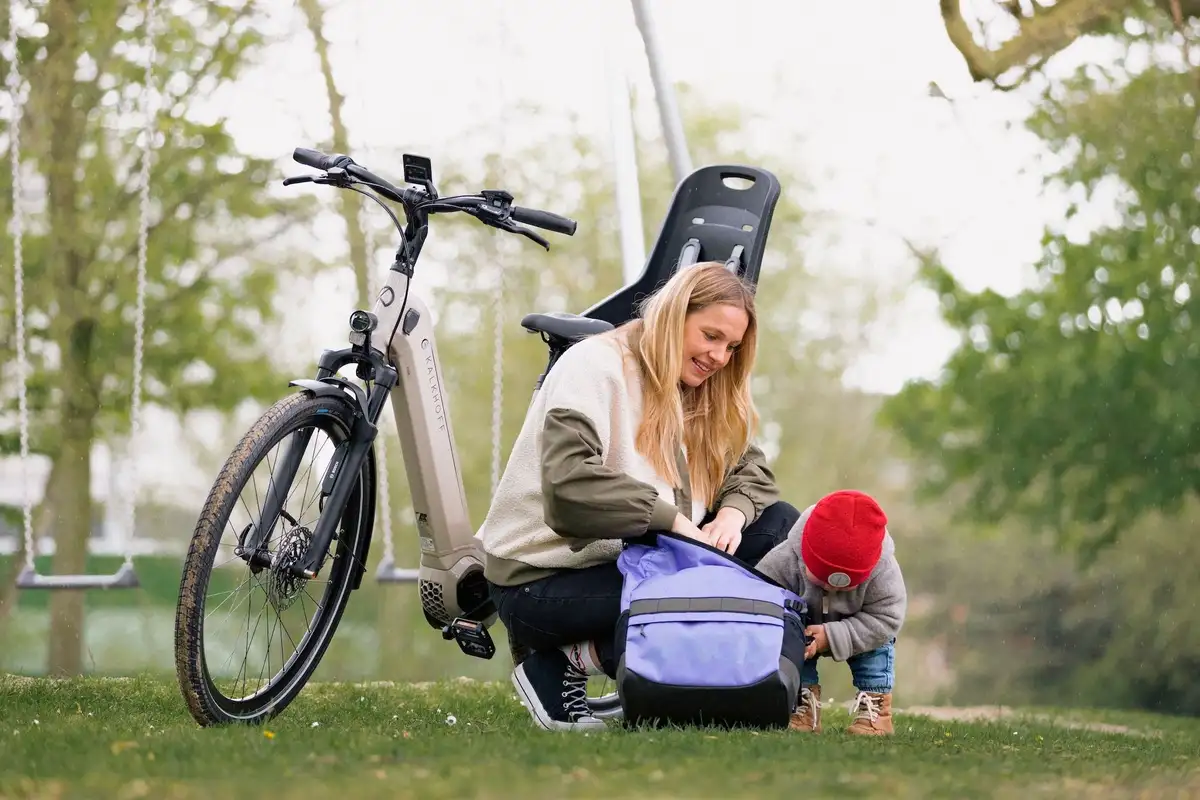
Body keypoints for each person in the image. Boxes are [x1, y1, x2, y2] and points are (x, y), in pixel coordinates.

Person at [477, 262, 800, 731]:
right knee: (700, 593)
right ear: (673, 315)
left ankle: (692, 679)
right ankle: (561, 663)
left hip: (641, 563)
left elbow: (750, 469)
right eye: (710, 335)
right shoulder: (595, 365)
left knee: (777, 527)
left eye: (731, 347)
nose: (719, 356)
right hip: (542, 582)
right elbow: (569, 486)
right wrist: (670, 520)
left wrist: (731, 513)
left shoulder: (702, 388)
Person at [754, 489, 907, 736]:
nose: (831, 587)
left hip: (862, 624)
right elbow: (761, 599)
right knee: (789, 650)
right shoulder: (784, 559)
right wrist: (790, 630)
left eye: (846, 585)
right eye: (822, 578)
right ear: (805, 552)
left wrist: (832, 636)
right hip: (801, 626)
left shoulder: (883, 570)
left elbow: (887, 618)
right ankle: (799, 704)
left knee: (876, 652)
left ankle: (875, 710)